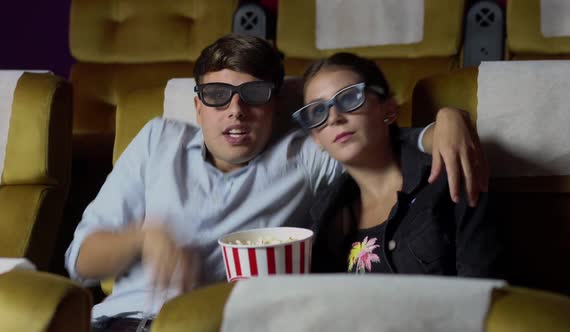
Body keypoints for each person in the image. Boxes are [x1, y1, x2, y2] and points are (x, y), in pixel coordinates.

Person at [65, 34, 488, 331]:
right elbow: (79, 261)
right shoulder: (158, 139)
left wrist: (448, 120)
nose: (235, 110)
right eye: (216, 96)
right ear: (197, 106)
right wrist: (142, 240)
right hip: (115, 323)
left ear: (275, 104)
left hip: (217, 326)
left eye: (253, 95)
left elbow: (373, 137)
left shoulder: (305, 155)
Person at [293, 53, 503, 277]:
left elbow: (481, 287)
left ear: (389, 110)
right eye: (317, 111)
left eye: (350, 98)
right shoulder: (323, 214)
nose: (334, 117)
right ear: (316, 139)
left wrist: (450, 114)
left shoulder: (448, 176)